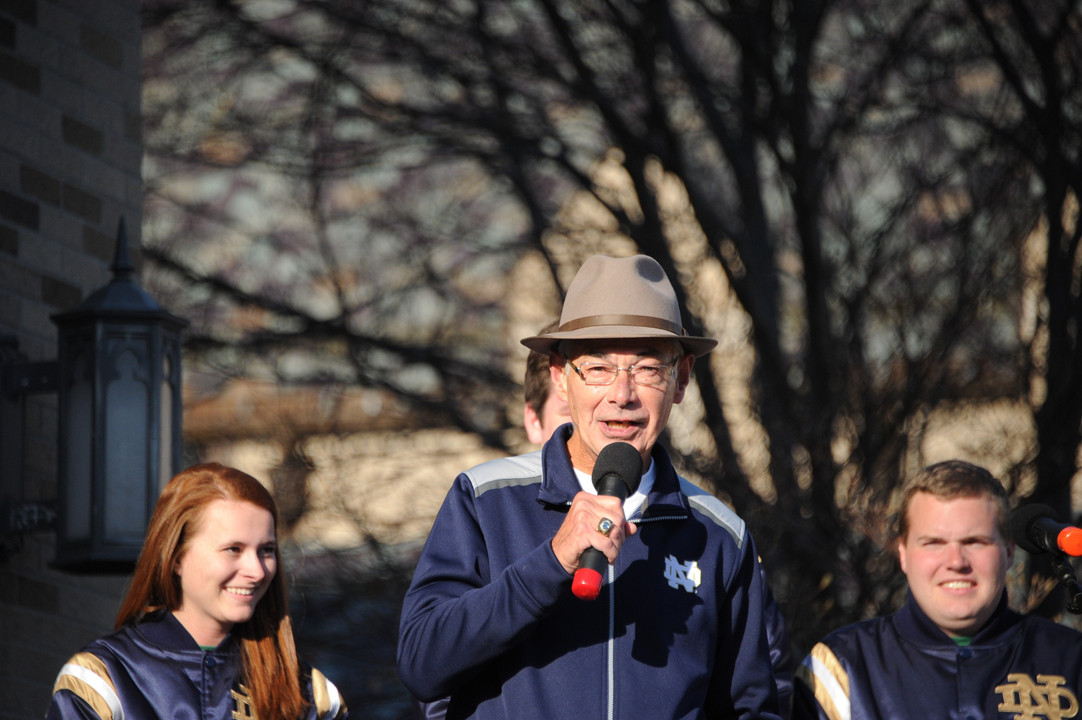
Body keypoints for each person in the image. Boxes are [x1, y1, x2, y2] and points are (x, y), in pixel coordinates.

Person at [398, 254, 782, 719]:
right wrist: (550, 562)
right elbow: (421, 663)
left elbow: (751, 708)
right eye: (598, 368)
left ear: (681, 380)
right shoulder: (484, 501)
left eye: (647, 369)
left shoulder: (721, 536)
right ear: (560, 378)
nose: (622, 395)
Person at [47, 463, 349, 720]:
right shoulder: (104, 679)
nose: (257, 571)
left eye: (266, 550)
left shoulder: (311, 694)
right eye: (233, 549)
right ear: (176, 557)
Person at [792, 460, 1082, 720]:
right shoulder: (841, 671)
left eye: (974, 542)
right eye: (933, 543)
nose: (956, 562)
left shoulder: (1071, 661)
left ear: (1008, 552)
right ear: (903, 554)